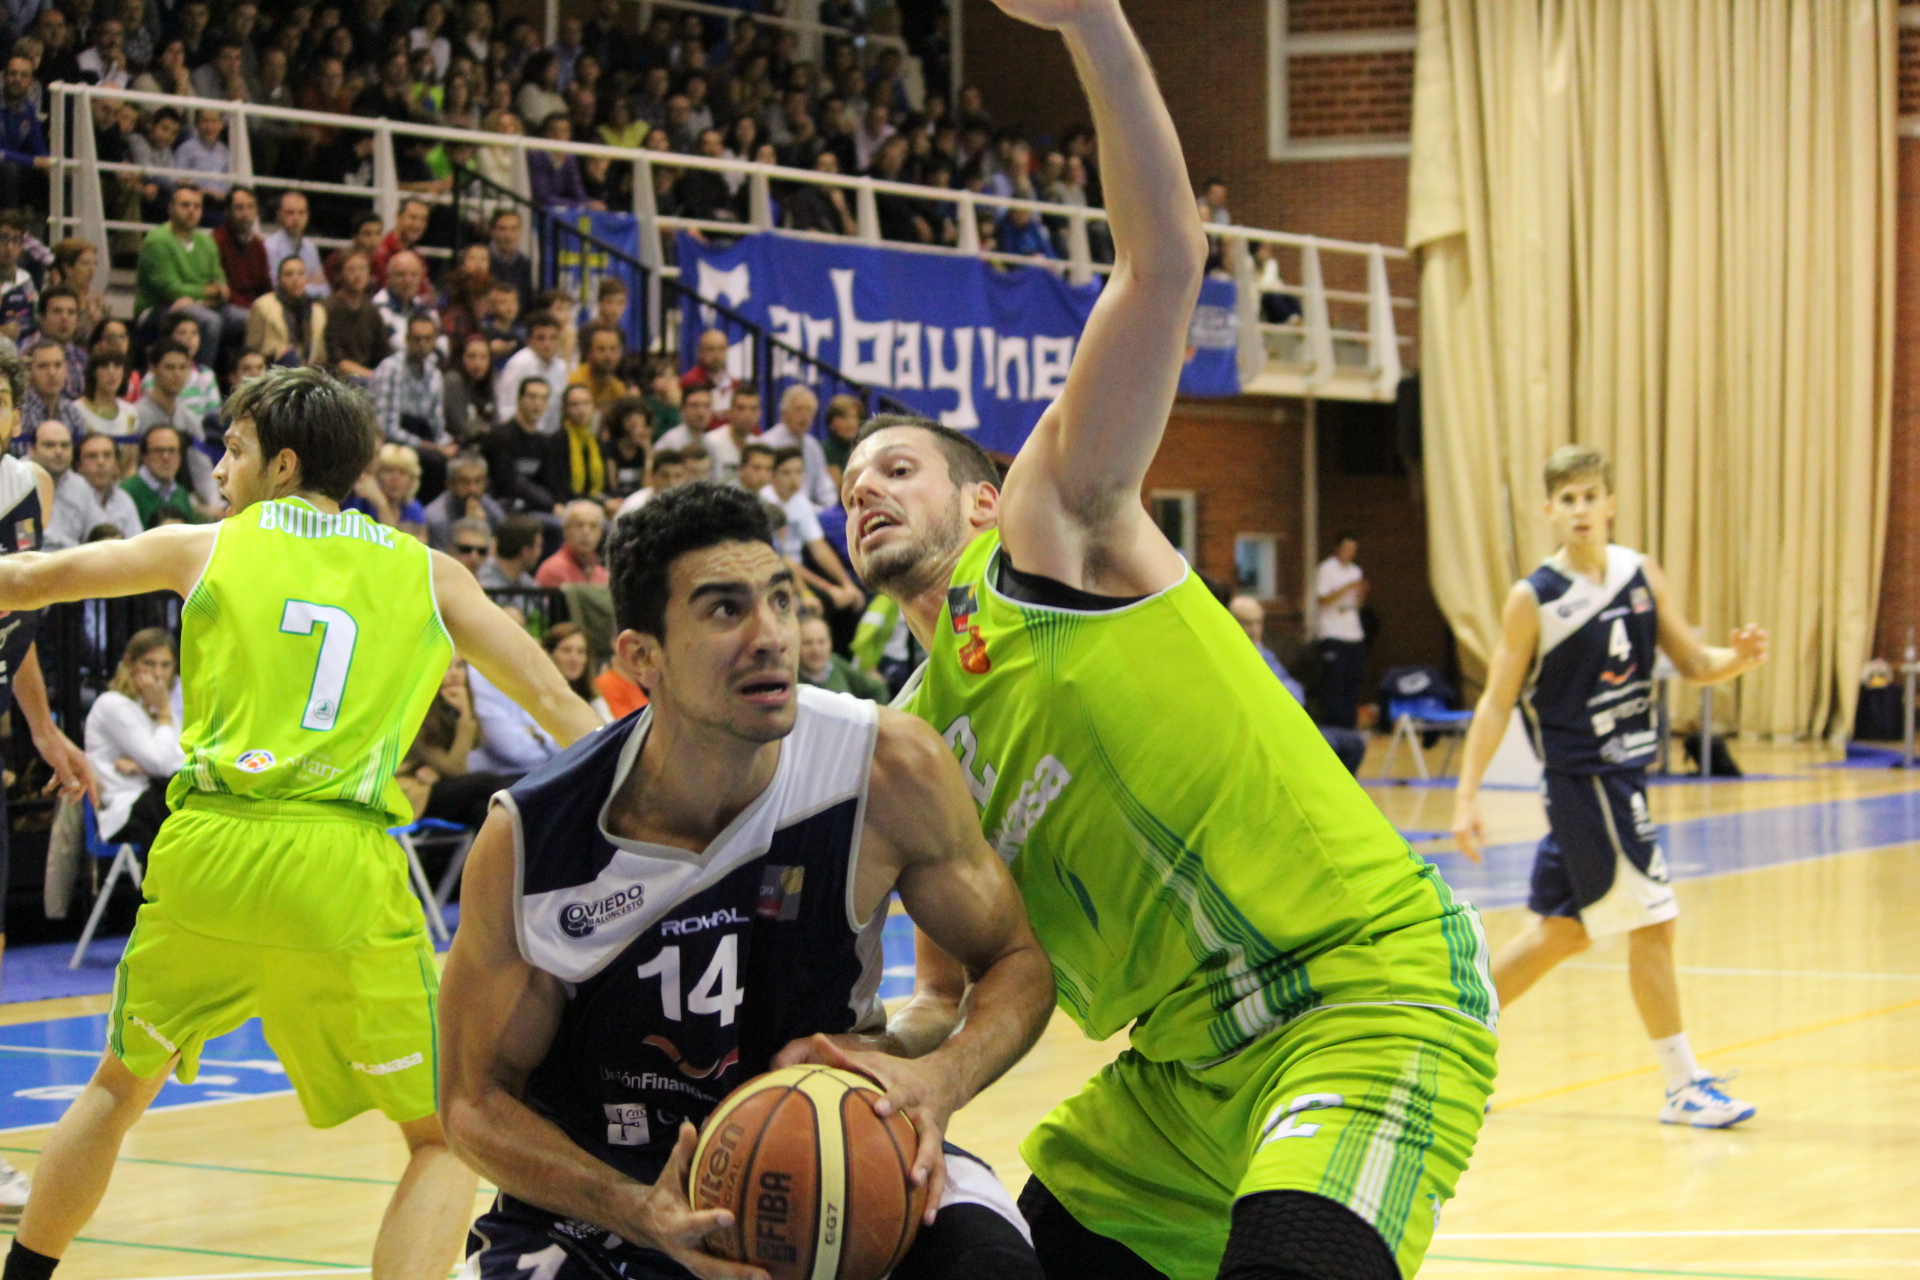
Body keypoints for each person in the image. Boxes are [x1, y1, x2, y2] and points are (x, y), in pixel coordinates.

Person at [837, 3, 1498, 1277]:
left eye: (899, 465)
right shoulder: (913, 739)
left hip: (1357, 994)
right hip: (1179, 1077)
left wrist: (1091, 25)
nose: (864, 489)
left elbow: (1163, 263)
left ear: (979, 497)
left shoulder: (1053, 528)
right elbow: (949, 987)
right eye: (849, 480)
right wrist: (854, 1066)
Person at [0, 367, 601, 1280]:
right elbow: (561, 706)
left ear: (282, 464)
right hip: (343, 863)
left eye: (233, 450)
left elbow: (37, 579)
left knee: (118, 1089)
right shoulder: (430, 573)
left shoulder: (206, 546)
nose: (220, 470)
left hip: (211, 849)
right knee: (443, 1134)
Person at [438, 482, 1054, 1280]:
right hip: (612, 1191)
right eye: (725, 611)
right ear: (641, 657)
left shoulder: (885, 766)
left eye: (782, 600)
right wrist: (636, 1210)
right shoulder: (533, 840)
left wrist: (936, 1077)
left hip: (841, 1148)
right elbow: (472, 1103)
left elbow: (1016, 961)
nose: (773, 637)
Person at [1451, 445, 1770, 1128]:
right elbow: (1497, 702)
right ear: (1549, 511)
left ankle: (1440, 1038)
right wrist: (1465, 795)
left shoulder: (1639, 573)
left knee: (1560, 933)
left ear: (1610, 503)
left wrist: (1737, 660)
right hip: (1585, 781)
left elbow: (1691, 660)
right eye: (1566, 499)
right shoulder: (1534, 597)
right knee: (1655, 922)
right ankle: (1683, 1084)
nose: (1580, 509)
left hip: (1627, 775)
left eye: (1590, 495)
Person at [1228, 593, 1365, 776]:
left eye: (1258, 622)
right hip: (1267, 731)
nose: (1254, 629)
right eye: (1246, 622)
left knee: (1353, 743)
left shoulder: (1264, 653)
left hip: (1291, 723)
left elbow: (1294, 692)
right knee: (1332, 745)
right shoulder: (1231, 657)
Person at [83, 627, 183, 849]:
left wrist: (145, 767)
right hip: (124, 807)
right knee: (185, 810)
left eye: (165, 665)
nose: (158, 674)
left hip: (154, 795)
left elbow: (183, 761)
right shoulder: (112, 704)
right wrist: (164, 710)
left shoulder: (154, 707)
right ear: (130, 663)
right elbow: (164, 765)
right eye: (149, 663)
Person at [394, 655, 516, 831]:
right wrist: (465, 718)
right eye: (446, 667)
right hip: (415, 793)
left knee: (486, 809)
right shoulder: (415, 710)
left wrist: (438, 772)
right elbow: (456, 770)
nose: (454, 674)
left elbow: (454, 769)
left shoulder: (451, 706)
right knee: (489, 783)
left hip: (439, 788)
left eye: (459, 666)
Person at [133, 187, 240, 358]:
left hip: (204, 305)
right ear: (170, 208)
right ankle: (203, 379)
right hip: (159, 308)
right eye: (185, 205)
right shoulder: (157, 241)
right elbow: (171, 290)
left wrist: (206, 297)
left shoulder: (207, 242)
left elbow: (221, 285)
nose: (191, 210)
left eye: (197, 206)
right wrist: (207, 292)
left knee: (246, 318)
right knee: (210, 322)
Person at [765, 445, 862, 613]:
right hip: (773, 573)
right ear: (772, 475)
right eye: (786, 473)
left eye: (798, 472)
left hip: (797, 572)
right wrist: (821, 589)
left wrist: (846, 583)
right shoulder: (765, 502)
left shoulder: (800, 502)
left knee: (854, 598)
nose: (794, 479)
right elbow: (782, 558)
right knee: (825, 603)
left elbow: (819, 549)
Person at [131, 340, 220, 512]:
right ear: (154, 369)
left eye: (183, 368)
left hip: (179, 496)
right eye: (170, 368)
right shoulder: (136, 415)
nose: (177, 374)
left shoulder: (190, 418)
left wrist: (214, 504)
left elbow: (200, 465)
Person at [483, 378, 567, 516]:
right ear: (519, 399)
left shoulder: (545, 443)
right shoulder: (500, 437)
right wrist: (550, 505)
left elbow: (553, 482)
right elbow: (506, 481)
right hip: (503, 506)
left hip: (536, 508)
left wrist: (559, 504)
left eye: (543, 398)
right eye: (532, 397)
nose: (537, 403)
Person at [48, 430, 141, 547]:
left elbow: (136, 543)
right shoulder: (64, 495)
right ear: (78, 466)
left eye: (107, 455)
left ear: (117, 464)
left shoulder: (124, 499)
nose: (100, 462)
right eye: (92, 456)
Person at [1314, 532, 1367, 729]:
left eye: (1353, 550)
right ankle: (1333, 725)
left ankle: (1349, 724)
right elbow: (1323, 599)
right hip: (1333, 632)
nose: (1350, 553)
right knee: (1334, 681)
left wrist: (1360, 593)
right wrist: (1347, 588)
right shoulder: (1327, 569)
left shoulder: (1355, 571)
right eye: (1346, 549)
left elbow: (1357, 604)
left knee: (1352, 680)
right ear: (1338, 549)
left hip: (1353, 633)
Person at [762, 382, 837, 511]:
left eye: (809, 410)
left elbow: (824, 485)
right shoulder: (768, 443)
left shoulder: (813, 446)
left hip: (812, 511)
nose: (804, 416)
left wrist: (829, 507)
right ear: (784, 414)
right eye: (799, 409)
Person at [244, 256, 327, 368]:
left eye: (300, 274)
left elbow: (321, 356)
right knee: (289, 356)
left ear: (306, 279)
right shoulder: (263, 305)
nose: (295, 279)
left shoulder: (318, 312)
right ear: (279, 279)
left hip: (308, 368)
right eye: (289, 274)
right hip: (273, 366)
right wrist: (273, 353)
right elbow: (252, 347)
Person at [493, 314, 569, 435]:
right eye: (540, 338)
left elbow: (557, 410)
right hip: (518, 435)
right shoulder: (520, 363)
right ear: (528, 340)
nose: (547, 344)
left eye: (553, 338)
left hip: (547, 437)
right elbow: (506, 407)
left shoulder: (561, 367)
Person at [322, 251, 389, 381]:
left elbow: (382, 352)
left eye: (363, 269)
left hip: (367, 374)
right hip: (337, 377)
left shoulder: (372, 310)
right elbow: (335, 358)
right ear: (339, 275)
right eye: (351, 270)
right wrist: (372, 376)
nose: (358, 275)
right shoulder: (329, 308)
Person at [346, 441, 428, 543]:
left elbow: (415, 548)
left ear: (412, 480)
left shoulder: (413, 508)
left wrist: (382, 504)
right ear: (377, 474)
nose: (395, 478)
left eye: (403, 472)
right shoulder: (360, 502)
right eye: (389, 470)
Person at [120, 425, 201, 527]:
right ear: (145, 456)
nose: (166, 457)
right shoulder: (126, 493)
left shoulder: (181, 494)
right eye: (158, 451)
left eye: (172, 450)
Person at [797, 611, 887, 702]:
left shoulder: (836, 664)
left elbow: (876, 688)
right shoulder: (792, 680)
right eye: (807, 643)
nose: (816, 650)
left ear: (830, 643)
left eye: (821, 642)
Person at [422, 452, 501, 551]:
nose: (472, 489)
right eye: (464, 481)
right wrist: (472, 526)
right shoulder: (436, 518)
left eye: (478, 481)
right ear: (450, 484)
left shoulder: (489, 506)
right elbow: (445, 561)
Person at [211, 187, 271, 310]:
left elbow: (265, 286)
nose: (246, 214)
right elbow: (223, 289)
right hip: (227, 306)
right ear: (227, 211)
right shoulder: (217, 241)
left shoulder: (258, 245)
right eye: (239, 208)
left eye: (250, 207)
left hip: (254, 306)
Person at [263, 192, 329, 300]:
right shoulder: (269, 247)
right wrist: (307, 282)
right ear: (279, 215)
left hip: (307, 305)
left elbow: (325, 289)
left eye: (301, 213)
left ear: (307, 216)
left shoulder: (310, 248)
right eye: (290, 213)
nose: (296, 218)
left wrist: (296, 285)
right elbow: (276, 287)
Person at [539, 620, 606, 719]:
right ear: (550, 654)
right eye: (566, 650)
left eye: (580, 652)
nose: (574, 659)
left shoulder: (594, 701)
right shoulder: (538, 697)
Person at [535, 497, 607, 587]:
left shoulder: (603, 575)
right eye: (579, 525)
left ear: (600, 533)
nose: (586, 532)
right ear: (565, 530)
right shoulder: (553, 570)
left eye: (593, 526)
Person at [442, 334, 498, 445]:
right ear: (461, 358)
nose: (477, 364)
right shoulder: (453, 381)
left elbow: (495, 422)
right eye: (471, 357)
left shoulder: (490, 382)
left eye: (483, 357)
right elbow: (459, 426)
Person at [19, 342, 82, 440]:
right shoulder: (20, 412)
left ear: (66, 368)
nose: (52, 373)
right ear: (29, 370)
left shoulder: (72, 412)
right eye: (42, 366)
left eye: (57, 365)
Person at [554, 383, 605, 504]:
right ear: (565, 409)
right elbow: (560, 489)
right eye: (574, 405)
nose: (581, 409)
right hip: (568, 504)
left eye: (586, 403)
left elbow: (606, 486)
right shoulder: (557, 442)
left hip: (596, 502)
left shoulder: (597, 441)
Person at [701, 384, 760, 485]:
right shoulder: (711, 442)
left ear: (760, 413)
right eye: (741, 408)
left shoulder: (759, 445)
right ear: (729, 411)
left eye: (753, 409)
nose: (747, 415)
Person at [566, 321, 628, 411]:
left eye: (613, 349)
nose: (608, 356)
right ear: (587, 353)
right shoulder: (573, 383)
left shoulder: (619, 389)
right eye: (601, 349)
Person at [475, 512, 541, 589]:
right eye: (538, 546)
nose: (539, 552)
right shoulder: (484, 583)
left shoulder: (527, 583)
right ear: (525, 552)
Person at [678, 326, 734, 410]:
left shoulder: (735, 383)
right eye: (710, 350)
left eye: (721, 349)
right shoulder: (690, 381)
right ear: (699, 352)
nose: (716, 355)